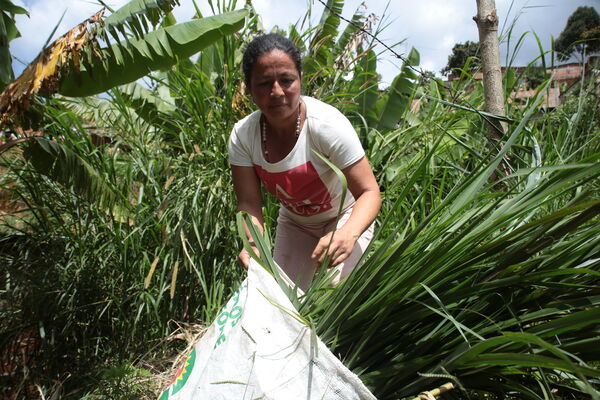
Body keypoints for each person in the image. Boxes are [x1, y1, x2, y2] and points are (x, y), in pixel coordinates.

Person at [229, 33, 381, 290]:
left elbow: (369, 192)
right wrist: (252, 244)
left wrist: (347, 234)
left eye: (286, 80)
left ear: (300, 80)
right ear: (249, 87)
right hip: (296, 223)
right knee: (285, 299)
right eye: (264, 83)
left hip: (344, 216)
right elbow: (249, 203)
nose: (276, 92)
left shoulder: (327, 126)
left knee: (332, 294)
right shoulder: (243, 135)